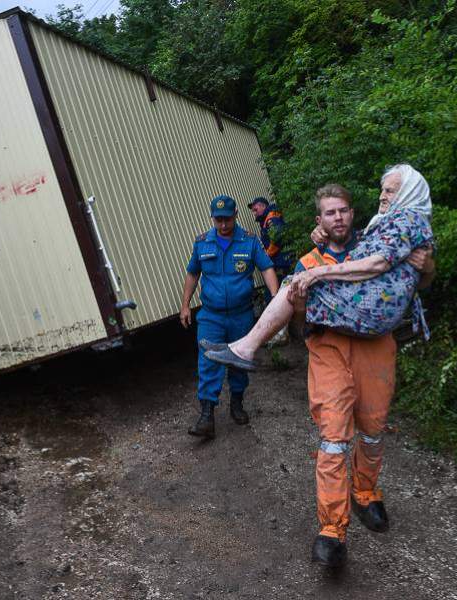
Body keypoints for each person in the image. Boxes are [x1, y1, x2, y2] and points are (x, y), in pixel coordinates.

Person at [205, 166, 435, 567]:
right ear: (320, 221)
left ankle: (365, 494)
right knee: (333, 437)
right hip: (329, 350)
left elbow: (417, 276)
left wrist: (426, 263)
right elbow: (293, 314)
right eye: (330, 213)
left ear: (352, 213)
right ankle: (332, 529)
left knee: (374, 429)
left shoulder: (375, 238)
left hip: (376, 349)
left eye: (344, 210)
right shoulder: (311, 258)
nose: (339, 218)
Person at [180, 194, 280, 438]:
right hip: (211, 316)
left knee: (239, 360)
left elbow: (266, 268)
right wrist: (185, 306)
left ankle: (237, 402)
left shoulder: (249, 241)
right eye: (218, 220)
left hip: (241, 315)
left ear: (236, 215)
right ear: (212, 218)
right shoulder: (202, 243)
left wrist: (277, 300)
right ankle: (206, 416)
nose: (223, 225)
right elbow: (193, 274)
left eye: (227, 219)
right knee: (208, 361)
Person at [247, 196, 293, 285]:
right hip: (281, 263)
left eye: (255, 210)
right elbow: (268, 241)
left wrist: (267, 255)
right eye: (253, 211)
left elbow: (277, 238)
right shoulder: (266, 220)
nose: (254, 213)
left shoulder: (271, 217)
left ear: (263, 206)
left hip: (283, 263)